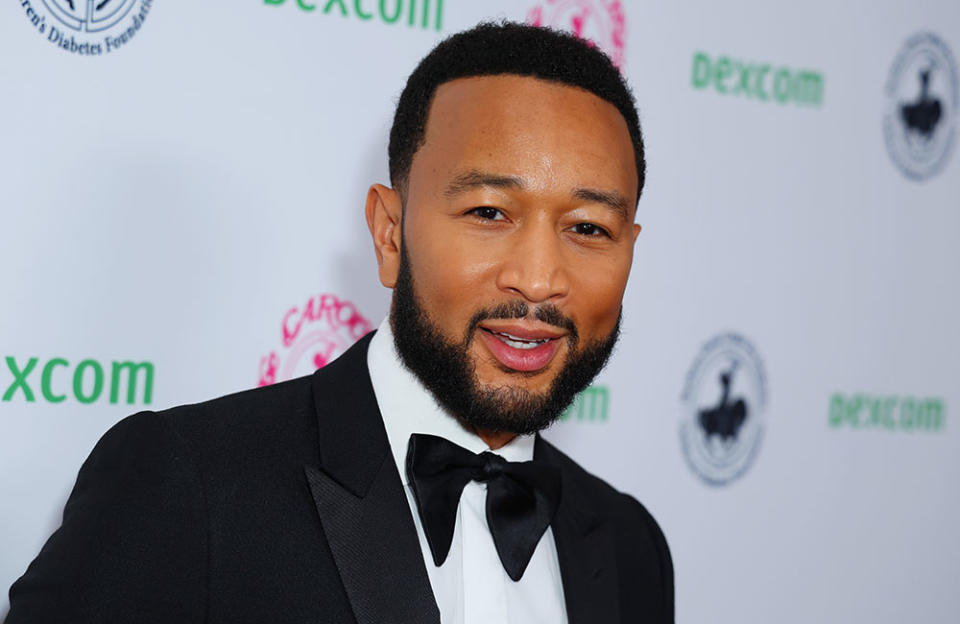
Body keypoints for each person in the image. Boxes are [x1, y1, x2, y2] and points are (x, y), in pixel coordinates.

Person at [5, 22, 673, 624]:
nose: (538, 278)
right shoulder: (189, 488)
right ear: (389, 234)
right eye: (489, 213)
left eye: (588, 228)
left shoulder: (628, 543)